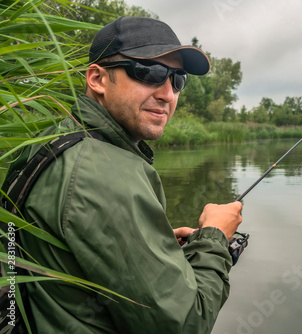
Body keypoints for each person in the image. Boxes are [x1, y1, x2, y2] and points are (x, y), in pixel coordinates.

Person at [5, 16, 243, 333]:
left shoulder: (46, 142)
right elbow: (186, 323)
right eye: (150, 72)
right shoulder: (107, 173)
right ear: (97, 79)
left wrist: (146, 242)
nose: (168, 94)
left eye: (177, 80)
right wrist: (215, 238)